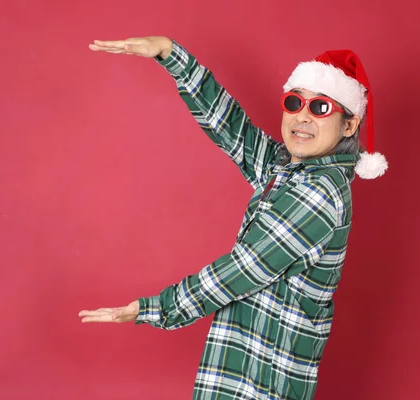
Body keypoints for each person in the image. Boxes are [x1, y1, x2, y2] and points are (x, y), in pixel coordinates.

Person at [78, 36, 387, 400]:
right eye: (294, 102)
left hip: (262, 384)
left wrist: (155, 309)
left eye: (320, 107)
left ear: (349, 125)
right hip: (240, 376)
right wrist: (169, 54)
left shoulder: (319, 193)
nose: (302, 116)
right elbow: (233, 130)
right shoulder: (289, 170)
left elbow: (243, 270)